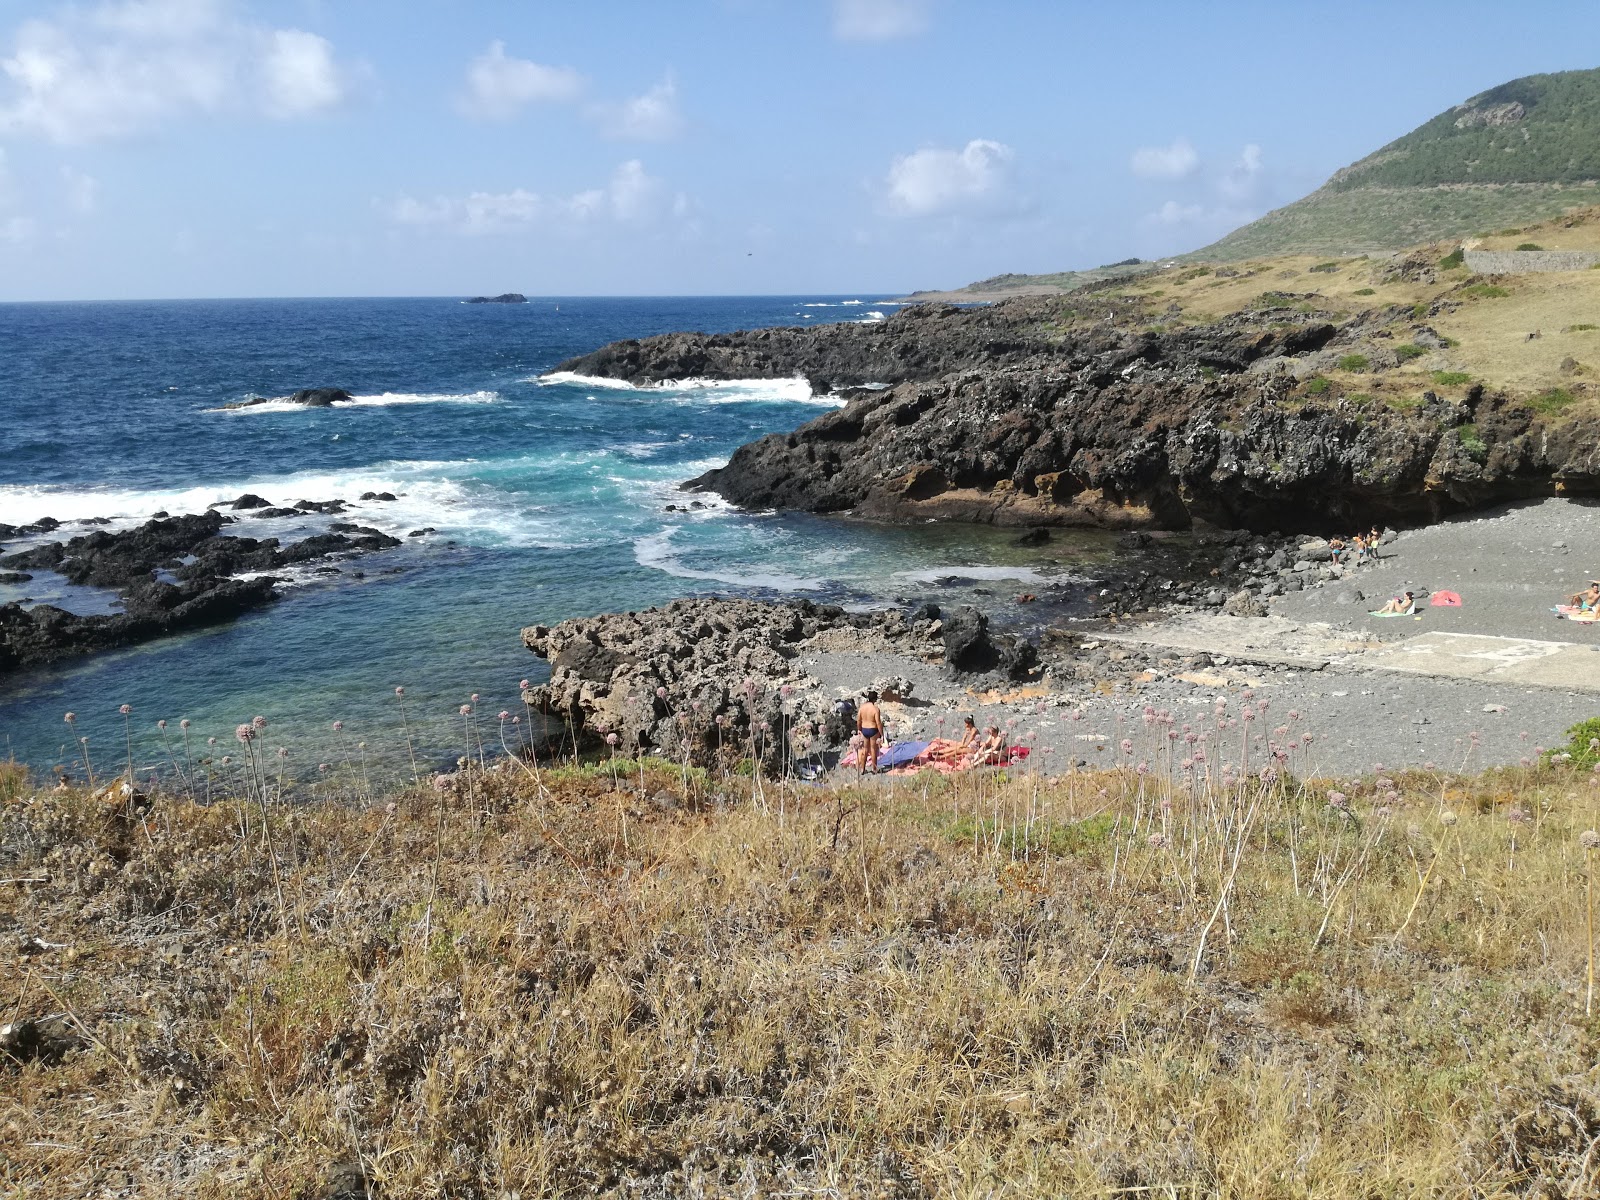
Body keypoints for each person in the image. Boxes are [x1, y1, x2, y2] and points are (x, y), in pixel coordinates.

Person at [856, 690, 885, 775]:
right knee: (873, 750)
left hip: (864, 729)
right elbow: (878, 723)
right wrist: (882, 734)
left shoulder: (862, 707)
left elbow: (858, 720)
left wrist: (859, 729)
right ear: (875, 699)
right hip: (873, 730)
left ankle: (862, 769)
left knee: (865, 749)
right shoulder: (875, 709)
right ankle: (874, 769)